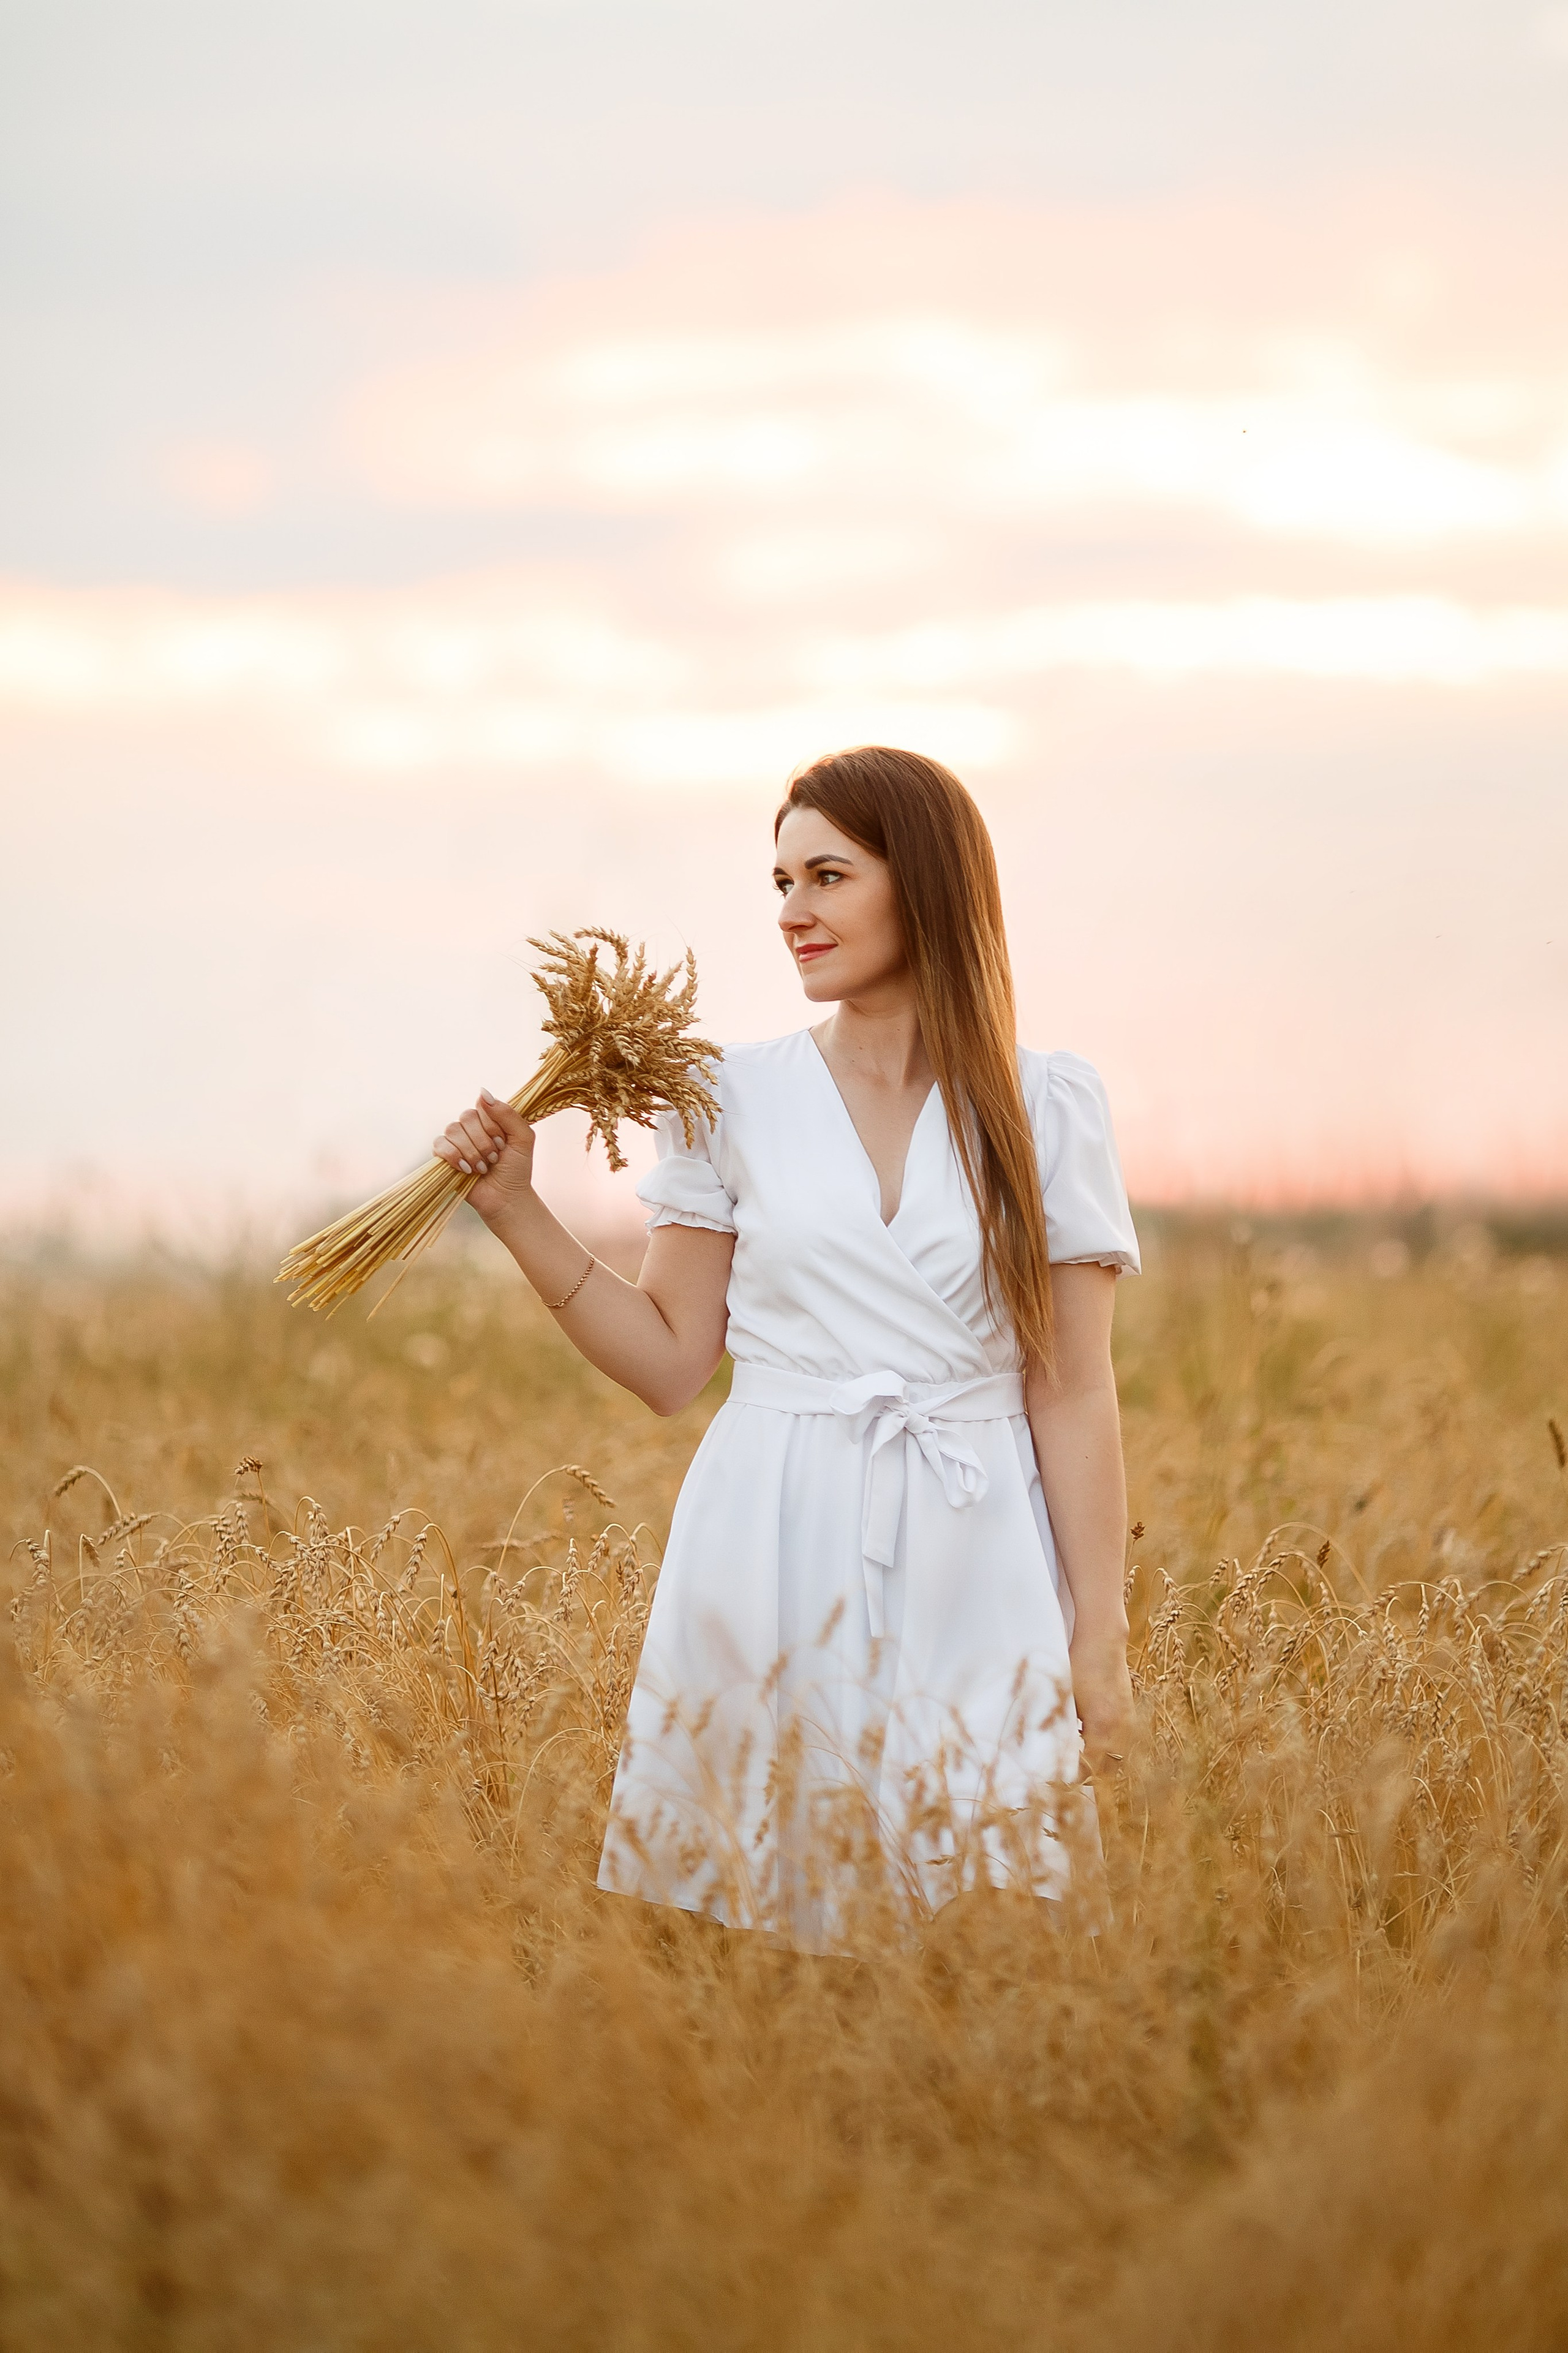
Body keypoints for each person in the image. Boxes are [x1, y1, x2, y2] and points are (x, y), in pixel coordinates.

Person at [435, 746, 1139, 1947]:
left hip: (974, 1540)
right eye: (777, 883)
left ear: (919, 882)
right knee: (758, 1917)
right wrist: (516, 1210)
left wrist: (1098, 1634)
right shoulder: (725, 1095)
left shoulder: (1044, 1103)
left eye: (825, 875)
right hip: (768, 1528)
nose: (790, 914)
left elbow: (1069, 1389)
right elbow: (667, 1363)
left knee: (985, 1914)